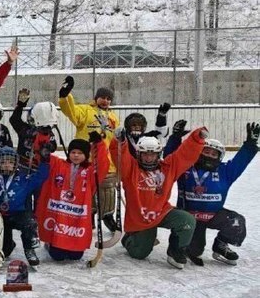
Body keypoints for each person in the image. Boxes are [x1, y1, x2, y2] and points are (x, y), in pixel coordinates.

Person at [164, 121, 259, 266]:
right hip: (188, 217)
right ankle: (179, 247)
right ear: (199, 151)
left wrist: (250, 144)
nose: (209, 155)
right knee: (195, 251)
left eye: (214, 154)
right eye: (206, 151)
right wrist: (175, 138)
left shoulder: (225, 171)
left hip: (213, 215)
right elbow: (170, 158)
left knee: (236, 222)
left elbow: (240, 161)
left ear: (219, 157)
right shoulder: (186, 168)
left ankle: (221, 244)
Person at [113, 128, 208, 269]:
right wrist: (120, 141)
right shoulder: (131, 169)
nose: (149, 158)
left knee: (186, 220)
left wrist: (197, 138)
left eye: (153, 154)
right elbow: (120, 156)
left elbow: (184, 154)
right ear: (139, 154)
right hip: (140, 219)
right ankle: (129, 239)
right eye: (145, 154)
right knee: (140, 254)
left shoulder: (168, 167)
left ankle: (176, 250)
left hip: (162, 212)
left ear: (159, 154)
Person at [58, 76, 120, 232]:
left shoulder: (113, 117)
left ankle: (107, 215)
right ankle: (89, 215)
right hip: (87, 160)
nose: (105, 101)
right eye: (102, 97)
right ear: (96, 98)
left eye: (108, 99)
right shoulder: (85, 110)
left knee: (107, 189)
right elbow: (70, 110)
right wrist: (66, 96)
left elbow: (114, 139)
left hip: (107, 161)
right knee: (86, 189)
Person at [36, 133, 108, 261]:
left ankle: (70, 245)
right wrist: (43, 140)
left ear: (86, 155)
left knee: (76, 256)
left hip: (77, 219)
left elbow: (102, 164)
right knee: (57, 256)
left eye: (80, 153)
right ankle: (51, 243)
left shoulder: (90, 171)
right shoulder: (58, 164)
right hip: (59, 216)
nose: (76, 155)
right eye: (73, 152)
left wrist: (99, 144)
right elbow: (41, 155)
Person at [0, 146, 50, 266]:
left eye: (10, 162)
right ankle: (7, 244)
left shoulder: (24, 178)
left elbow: (41, 177)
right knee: (5, 251)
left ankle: (29, 249)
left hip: (17, 214)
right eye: (3, 162)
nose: (6, 165)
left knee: (29, 224)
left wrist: (45, 161)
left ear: (16, 162)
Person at [10, 89, 58, 173]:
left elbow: (53, 147)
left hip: (39, 170)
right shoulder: (25, 129)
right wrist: (20, 105)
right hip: (22, 167)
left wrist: (47, 147)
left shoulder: (48, 132)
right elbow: (14, 120)